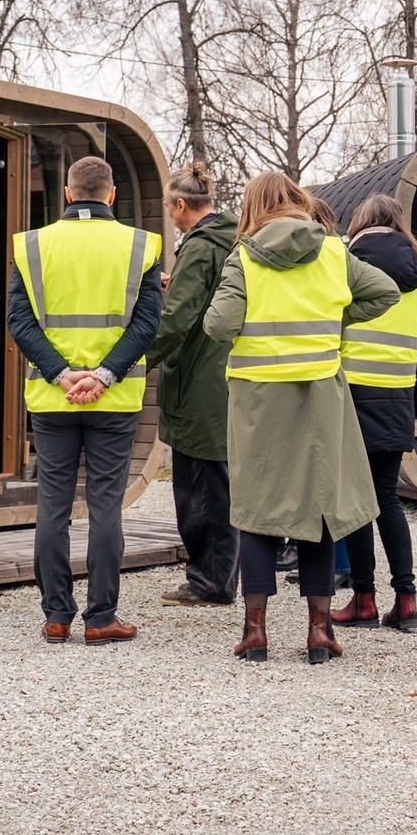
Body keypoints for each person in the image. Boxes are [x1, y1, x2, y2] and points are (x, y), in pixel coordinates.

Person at [203, 172, 398, 664]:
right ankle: (318, 632)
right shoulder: (334, 251)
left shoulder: (243, 257)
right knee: (320, 509)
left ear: (253, 208)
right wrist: (333, 320)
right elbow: (386, 292)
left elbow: (218, 324)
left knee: (257, 511)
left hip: (257, 400)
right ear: (297, 201)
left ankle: (255, 633)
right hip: (320, 399)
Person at [6, 155, 163, 646]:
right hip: (114, 398)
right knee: (105, 506)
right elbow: (147, 324)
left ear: (68, 194)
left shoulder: (31, 245)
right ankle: (101, 618)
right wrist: (104, 375)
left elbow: (19, 322)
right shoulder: (141, 245)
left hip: (52, 396)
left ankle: (56, 616)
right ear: (111, 194)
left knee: (52, 505)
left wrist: (61, 374)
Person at [330, 194, 417, 633]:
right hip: (397, 395)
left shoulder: (346, 264)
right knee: (388, 499)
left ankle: (364, 599)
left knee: (357, 502)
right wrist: (403, 378)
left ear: (359, 222)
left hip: (350, 393)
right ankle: (406, 601)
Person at [138, 162, 240, 608]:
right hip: (224, 376)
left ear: (181, 205)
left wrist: (131, 362)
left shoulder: (199, 247)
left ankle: (209, 583)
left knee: (201, 488)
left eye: (168, 206)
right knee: (218, 481)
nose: (170, 214)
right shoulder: (232, 239)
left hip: (199, 381)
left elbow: (176, 319)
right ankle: (220, 577)